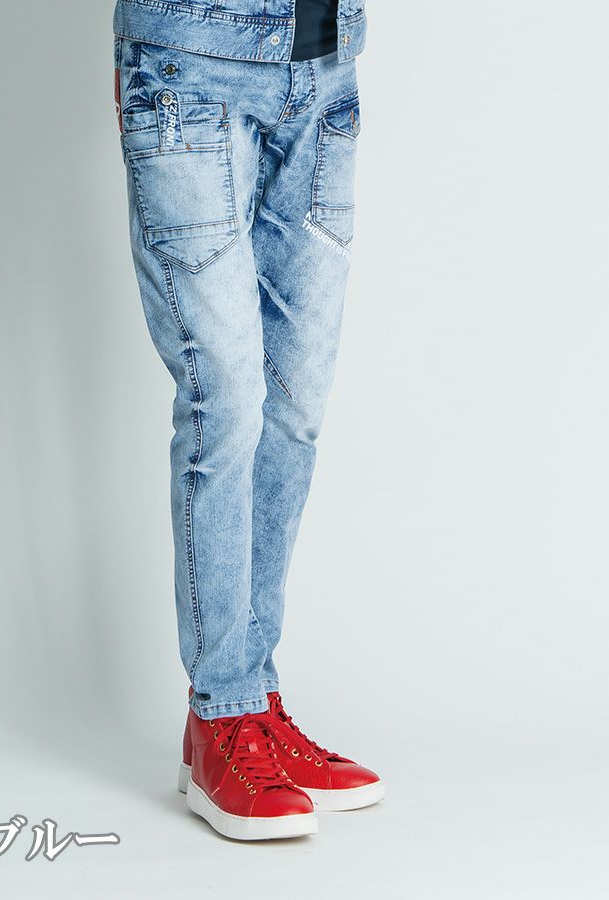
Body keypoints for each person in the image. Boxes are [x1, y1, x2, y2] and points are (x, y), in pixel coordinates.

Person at [112, 0, 383, 840]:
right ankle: (220, 716)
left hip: (324, 67)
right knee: (224, 397)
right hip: (190, 65)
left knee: (294, 405)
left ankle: (255, 703)